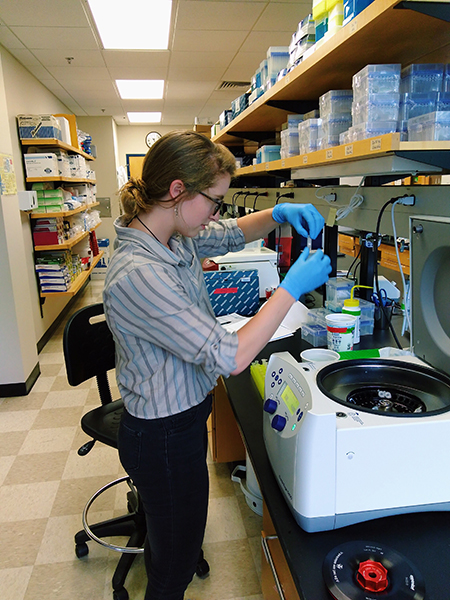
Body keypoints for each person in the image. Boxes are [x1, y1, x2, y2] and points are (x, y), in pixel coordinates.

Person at [103, 130, 331, 600]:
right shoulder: (140, 273)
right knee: (173, 569)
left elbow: (230, 233)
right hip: (162, 436)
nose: (217, 212)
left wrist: (279, 212)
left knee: (177, 546)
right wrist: (290, 287)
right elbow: (231, 356)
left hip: (182, 420)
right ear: (177, 191)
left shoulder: (168, 233)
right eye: (214, 201)